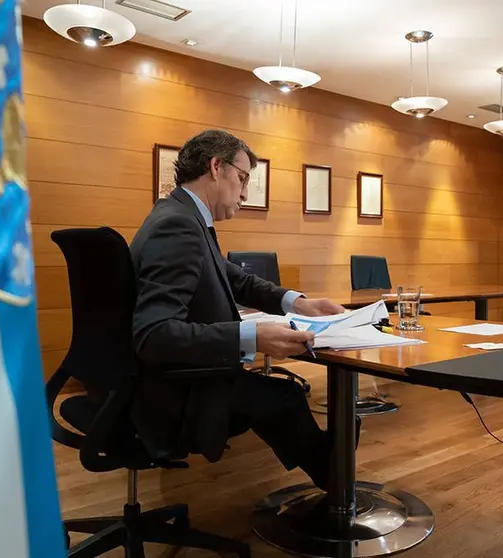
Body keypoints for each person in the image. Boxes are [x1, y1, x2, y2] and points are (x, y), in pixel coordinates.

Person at [129, 129, 347, 491]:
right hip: (175, 392)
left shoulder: (182, 216)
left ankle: (337, 476)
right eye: (243, 178)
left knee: (280, 397)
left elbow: (238, 281)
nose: (246, 193)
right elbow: (153, 334)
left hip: (173, 377)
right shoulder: (178, 225)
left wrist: (299, 302)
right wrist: (253, 336)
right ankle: (339, 486)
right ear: (216, 167)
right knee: (286, 397)